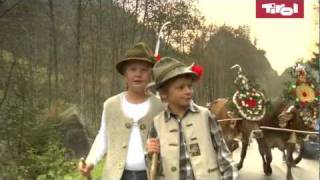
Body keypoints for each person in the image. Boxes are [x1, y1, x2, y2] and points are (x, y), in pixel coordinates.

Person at [79, 42, 163, 180]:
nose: (138, 74)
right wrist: (91, 161)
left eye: (144, 70)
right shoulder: (110, 105)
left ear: (151, 75)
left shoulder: (160, 106)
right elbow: (103, 137)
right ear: (125, 75)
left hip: (151, 175)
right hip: (116, 176)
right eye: (133, 69)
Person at [147, 57, 238, 180]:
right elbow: (153, 167)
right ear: (164, 94)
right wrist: (150, 153)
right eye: (181, 87)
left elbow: (224, 157)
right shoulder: (157, 123)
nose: (188, 91)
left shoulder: (206, 116)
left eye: (189, 86)